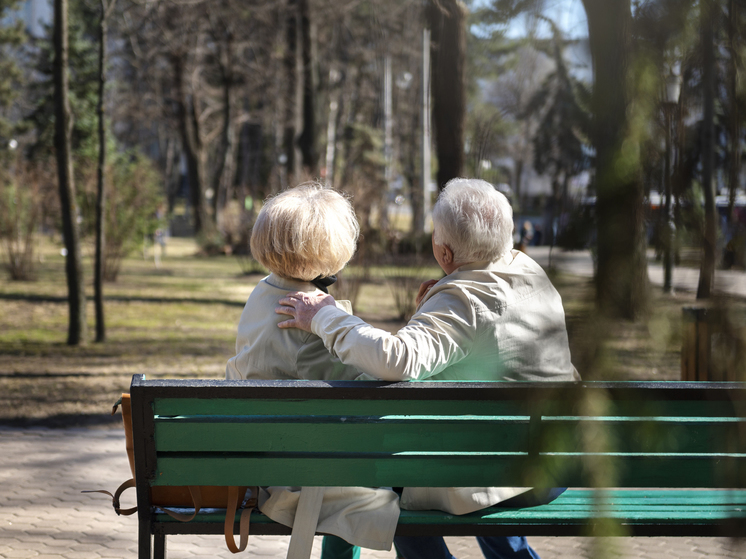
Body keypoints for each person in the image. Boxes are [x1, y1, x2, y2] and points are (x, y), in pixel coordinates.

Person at [276, 178, 580, 559]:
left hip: (511, 474)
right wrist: (432, 309)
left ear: (446, 251)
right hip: (561, 460)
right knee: (474, 462)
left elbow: (396, 360)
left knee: (388, 484)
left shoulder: (462, 302)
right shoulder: (529, 272)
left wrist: (324, 316)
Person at [226, 183, 400, 556]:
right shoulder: (304, 321)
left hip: (261, 452)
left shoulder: (262, 293)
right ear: (332, 249)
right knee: (380, 491)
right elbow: (366, 389)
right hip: (293, 474)